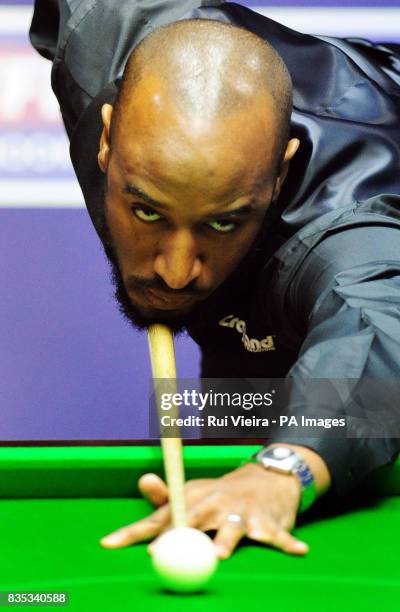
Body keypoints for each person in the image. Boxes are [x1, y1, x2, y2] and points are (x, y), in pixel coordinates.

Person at [30, 0, 400, 558]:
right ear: (108, 138)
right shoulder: (104, 24)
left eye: (221, 222)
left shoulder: (346, 231)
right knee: (238, 414)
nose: (176, 273)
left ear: (279, 175)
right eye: (148, 211)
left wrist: (284, 468)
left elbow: (379, 330)